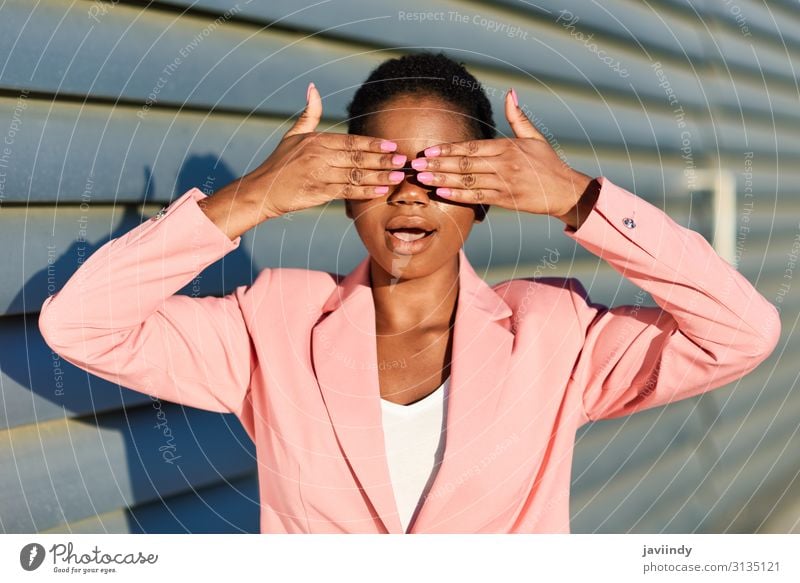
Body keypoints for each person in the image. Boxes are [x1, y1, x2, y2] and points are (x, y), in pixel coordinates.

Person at [38, 52, 781, 534]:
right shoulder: (274, 326)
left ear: (486, 196)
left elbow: (742, 332)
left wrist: (580, 198)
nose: (412, 196)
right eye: (385, 169)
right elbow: (80, 325)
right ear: (344, 189)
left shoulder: (556, 333)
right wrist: (252, 198)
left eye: (445, 172)